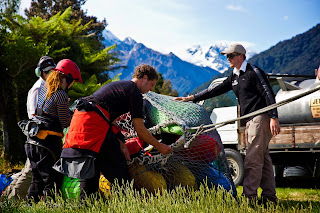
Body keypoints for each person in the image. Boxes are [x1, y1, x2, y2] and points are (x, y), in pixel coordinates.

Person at [174, 43, 280, 205]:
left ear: (241, 56)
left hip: (260, 118)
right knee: (263, 160)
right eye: (226, 56)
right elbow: (215, 90)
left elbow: (268, 92)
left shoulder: (253, 72)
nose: (228, 59)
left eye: (230, 56)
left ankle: (249, 199)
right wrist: (192, 98)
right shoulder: (235, 76)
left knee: (252, 159)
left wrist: (273, 116)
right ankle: (270, 199)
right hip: (250, 120)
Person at [55, 64, 173, 199]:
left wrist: (122, 143)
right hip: (95, 126)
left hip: (80, 123)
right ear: (144, 78)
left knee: (90, 173)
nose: (151, 89)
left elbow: (111, 121)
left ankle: (86, 205)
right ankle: (127, 203)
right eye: (151, 84)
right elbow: (139, 128)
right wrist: (160, 146)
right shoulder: (134, 92)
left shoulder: (121, 87)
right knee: (120, 173)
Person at [24, 59, 82, 203]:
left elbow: (48, 112)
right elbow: (65, 122)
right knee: (52, 181)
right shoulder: (61, 94)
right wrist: (75, 113)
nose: (73, 84)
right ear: (67, 78)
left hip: (32, 142)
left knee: (37, 181)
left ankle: (28, 207)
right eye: (73, 80)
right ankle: (51, 208)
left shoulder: (45, 89)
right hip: (47, 144)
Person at [3, 56, 56, 200]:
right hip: (37, 137)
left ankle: (6, 198)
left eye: (53, 71)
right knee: (29, 174)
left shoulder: (47, 88)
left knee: (26, 173)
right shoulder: (38, 89)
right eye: (47, 71)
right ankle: (11, 201)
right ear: (40, 72)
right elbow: (35, 117)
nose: (51, 74)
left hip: (41, 138)